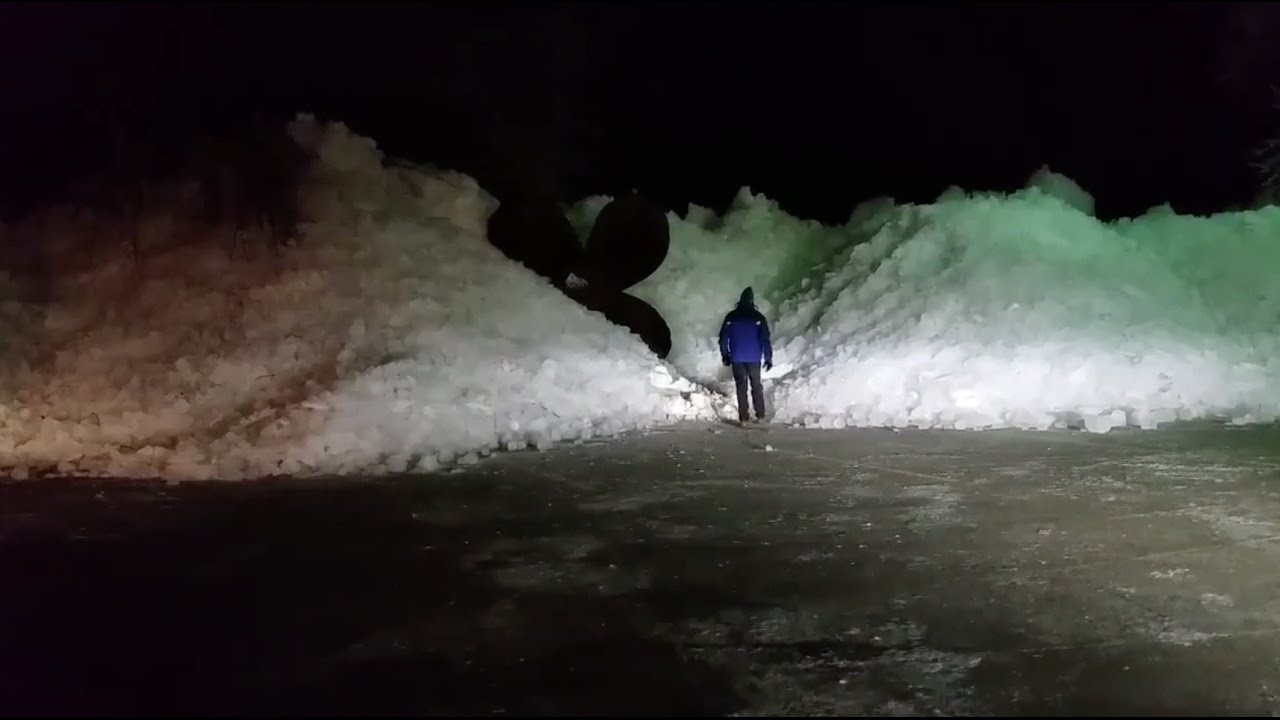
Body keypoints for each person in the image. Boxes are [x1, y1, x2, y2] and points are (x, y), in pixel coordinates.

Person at [719, 286, 773, 424]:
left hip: (737, 357)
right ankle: (760, 416)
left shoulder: (731, 317)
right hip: (754, 358)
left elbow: (723, 338)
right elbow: (765, 339)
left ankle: (744, 418)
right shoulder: (758, 317)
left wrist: (725, 355)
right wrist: (768, 357)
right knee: (756, 385)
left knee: (741, 387)